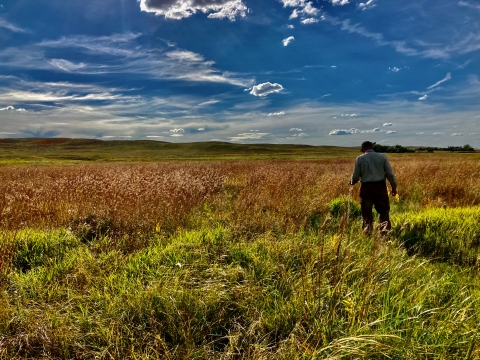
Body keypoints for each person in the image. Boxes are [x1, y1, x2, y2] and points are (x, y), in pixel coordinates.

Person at [350, 141, 397, 234]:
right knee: (384, 211)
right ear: (372, 147)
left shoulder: (359, 159)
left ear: (363, 149)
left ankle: (367, 233)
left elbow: (355, 176)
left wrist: (352, 182)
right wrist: (394, 187)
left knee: (366, 213)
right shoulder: (382, 157)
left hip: (366, 189)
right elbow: (390, 174)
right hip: (380, 187)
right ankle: (385, 233)